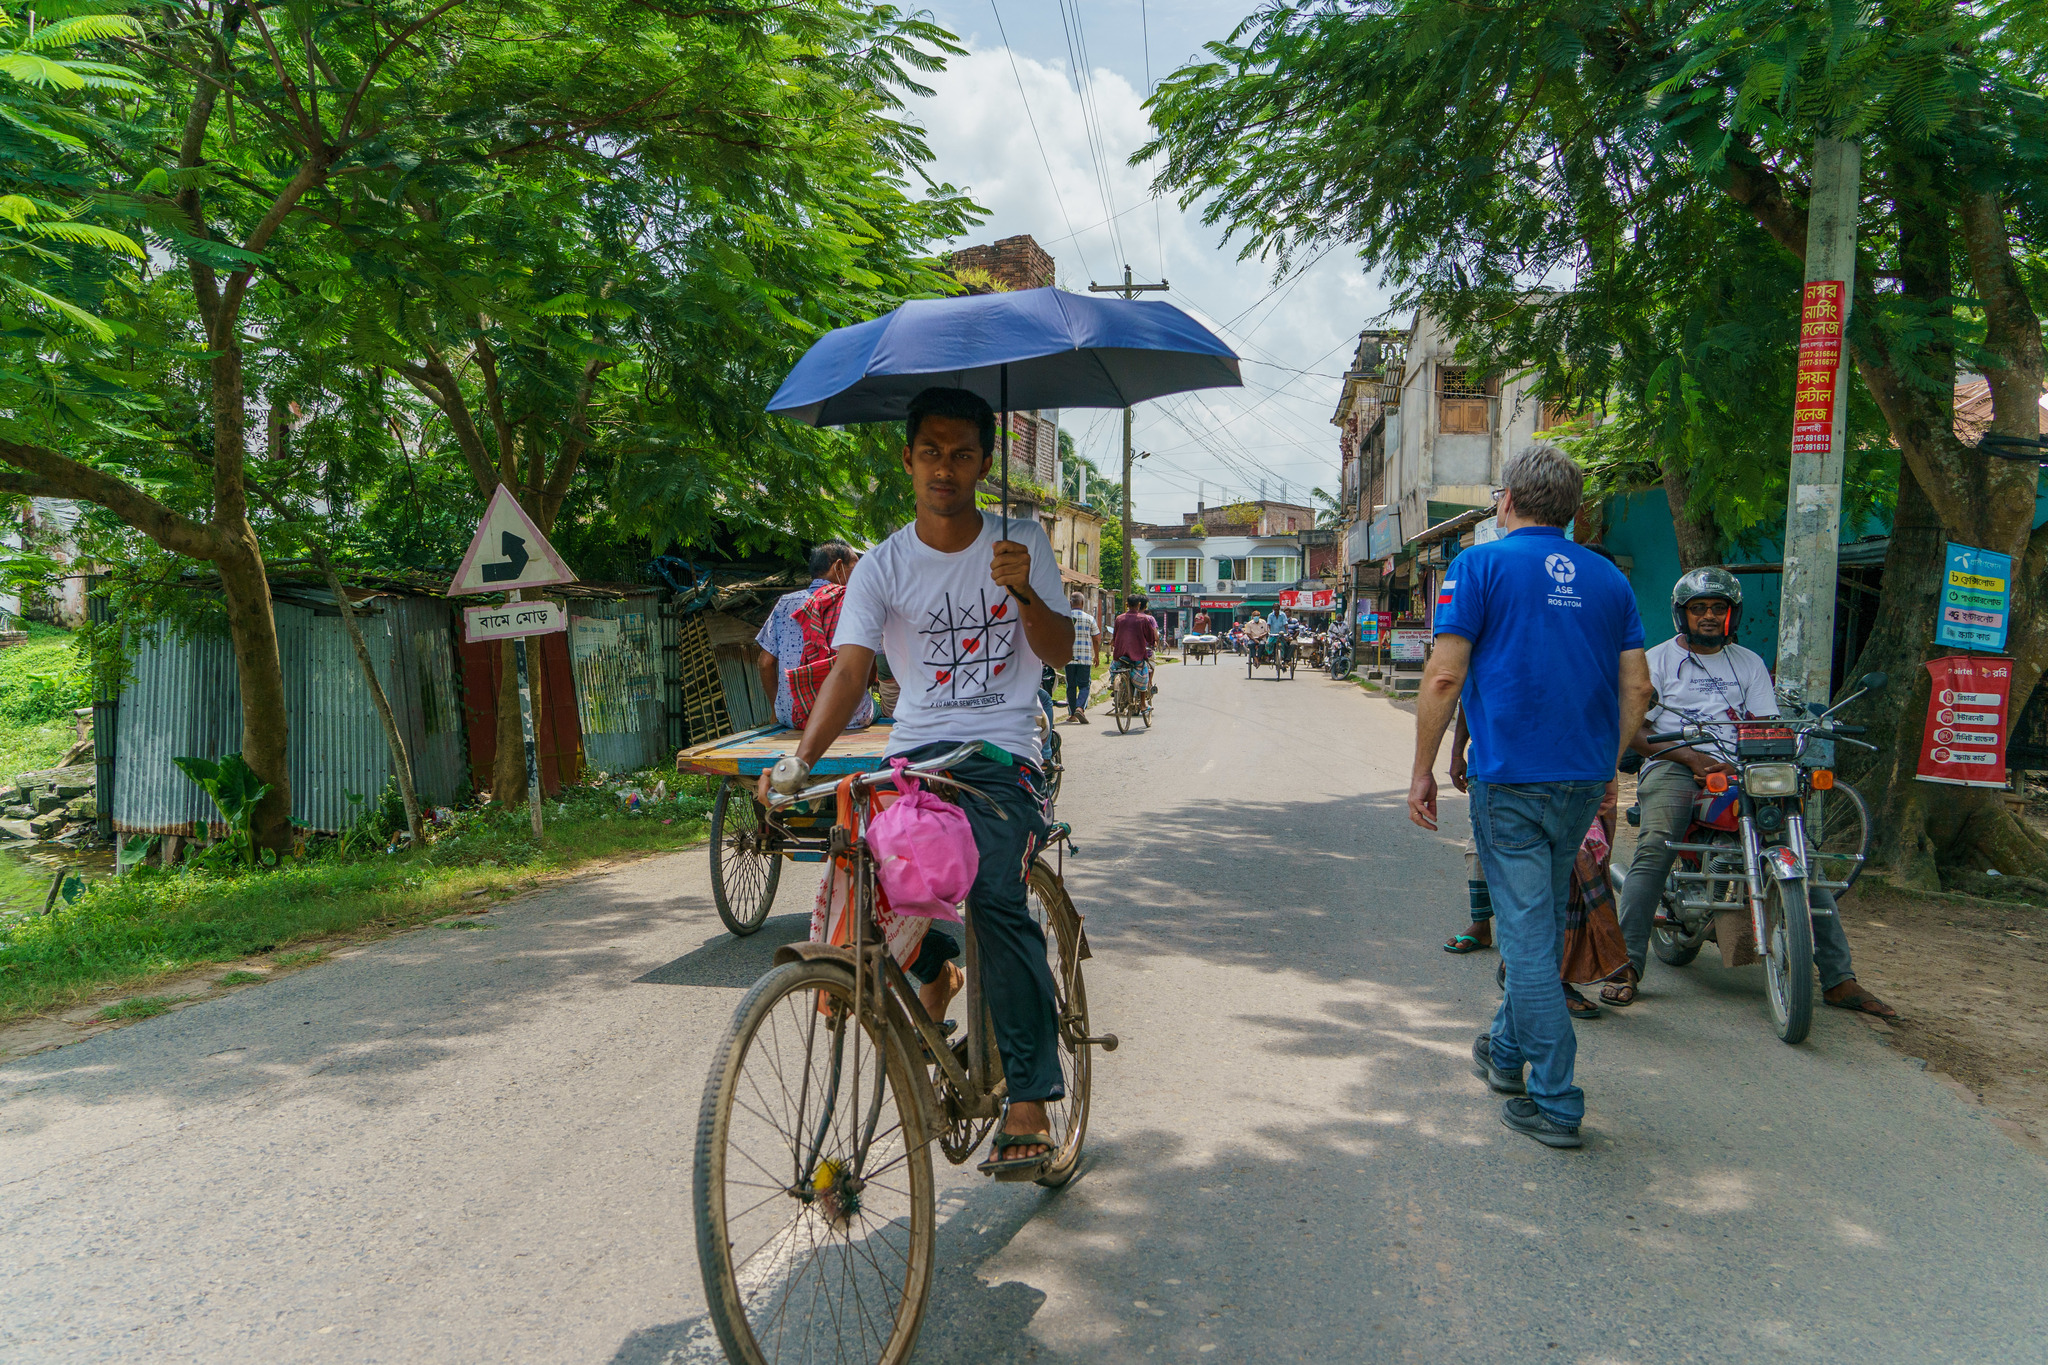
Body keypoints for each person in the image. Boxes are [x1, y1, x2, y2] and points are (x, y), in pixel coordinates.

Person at [760, 386, 1073, 1178]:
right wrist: (802, 756)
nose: (945, 467)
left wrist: (1026, 589)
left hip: (1004, 758)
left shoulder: (1022, 538)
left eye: (962, 452)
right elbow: (851, 667)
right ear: (908, 459)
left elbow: (1064, 653)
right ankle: (935, 973)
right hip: (915, 759)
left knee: (996, 889)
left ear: (984, 462)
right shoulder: (883, 565)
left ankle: (1030, 1095)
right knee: (864, 873)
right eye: (930, 451)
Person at [1410, 443, 1654, 1149]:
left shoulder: (1478, 565)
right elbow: (1637, 688)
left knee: (1528, 941)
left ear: (1507, 500)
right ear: (1574, 510)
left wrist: (1424, 768)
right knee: (1536, 921)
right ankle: (1505, 1051)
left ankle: (1556, 1097)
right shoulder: (1609, 579)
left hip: (1510, 781)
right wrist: (1604, 759)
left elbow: (1443, 678)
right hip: (1582, 780)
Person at [1614, 568, 1896, 1019]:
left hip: (1743, 769)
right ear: (1681, 614)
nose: (1708, 616)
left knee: (1799, 853)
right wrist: (1691, 759)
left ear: (1732, 614)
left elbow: (1765, 723)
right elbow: (1634, 731)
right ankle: (1625, 965)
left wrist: (1779, 748)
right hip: (1674, 765)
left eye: (1718, 608)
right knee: (1657, 845)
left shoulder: (1747, 663)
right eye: (1699, 608)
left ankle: (1840, 979)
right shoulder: (1656, 661)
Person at [756, 543, 871, 729]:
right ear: (838, 567)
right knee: (879, 708)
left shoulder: (785, 603)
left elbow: (765, 663)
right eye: (856, 569)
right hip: (846, 719)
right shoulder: (856, 602)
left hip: (791, 717)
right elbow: (871, 666)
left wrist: (777, 710)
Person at [1111, 593, 1159, 700]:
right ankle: (1142, 704)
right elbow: (1151, 637)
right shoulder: (1143, 619)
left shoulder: (1119, 619)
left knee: (1113, 668)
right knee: (1144, 676)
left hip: (1120, 656)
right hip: (1137, 656)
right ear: (1139, 605)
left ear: (1127, 605)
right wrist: (1153, 643)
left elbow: (1115, 636)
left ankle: (1114, 685)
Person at [1065, 591, 1100, 723]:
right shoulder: (1089, 618)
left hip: (1068, 658)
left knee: (1071, 686)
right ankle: (1080, 708)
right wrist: (1096, 656)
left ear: (1070, 603)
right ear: (1083, 603)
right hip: (1085, 658)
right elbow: (1096, 639)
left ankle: (1072, 714)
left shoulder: (1065, 617)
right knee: (1085, 685)